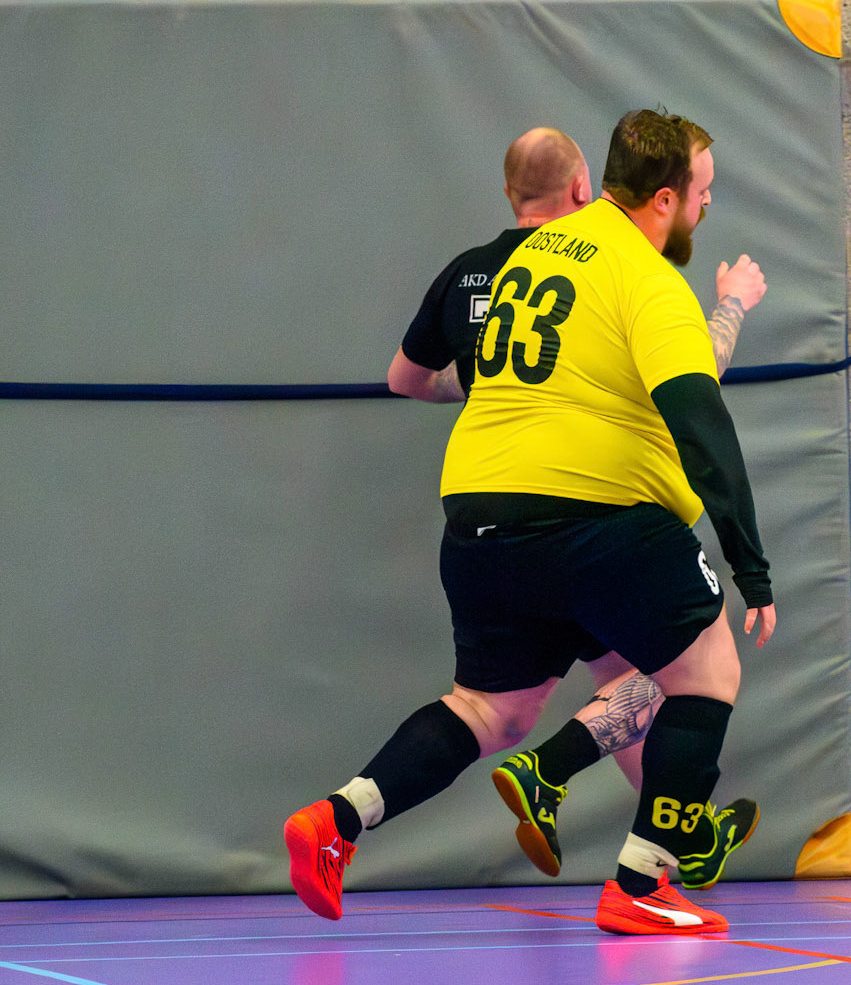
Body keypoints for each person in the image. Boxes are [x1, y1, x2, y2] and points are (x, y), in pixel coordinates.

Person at [284, 110, 775, 938]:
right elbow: (701, 419)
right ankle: (642, 882)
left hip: (480, 518)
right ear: (664, 199)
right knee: (707, 670)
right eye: (702, 194)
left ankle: (338, 819)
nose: (703, 209)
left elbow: (424, 373)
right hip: (593, 514)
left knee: (489, 710)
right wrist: (750, 565)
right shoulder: (647, 279)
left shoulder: (529, 256)